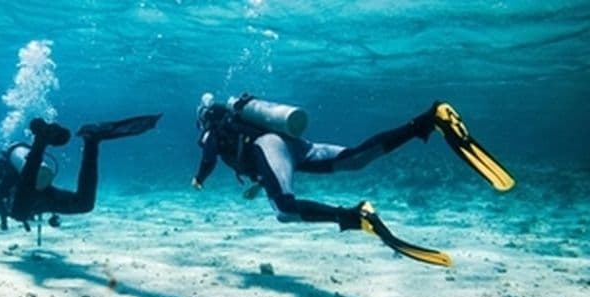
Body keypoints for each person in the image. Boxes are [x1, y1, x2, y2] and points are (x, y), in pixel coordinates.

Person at [191, 93, 514, 267]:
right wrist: (263, 182)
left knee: (285, 210)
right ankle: (430, 119)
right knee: (355, 158)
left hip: (271, 147)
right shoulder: (240, 123)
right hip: (289, 144)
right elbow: (268, 161)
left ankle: (356, 217)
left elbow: (210, 157)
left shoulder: (211, 132)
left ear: (203, 119)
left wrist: (199, 179)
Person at [0, 114, 161, 232]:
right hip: (42, 196)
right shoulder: (9, 170)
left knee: (20, 213)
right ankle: (91, 139)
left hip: (29, 201)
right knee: (83, 204)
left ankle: (41, 142)